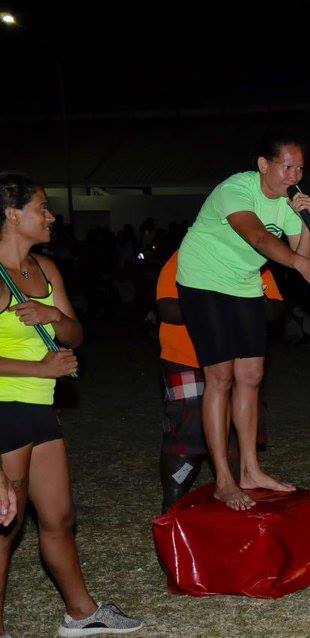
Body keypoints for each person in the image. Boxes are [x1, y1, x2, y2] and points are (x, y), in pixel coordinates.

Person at [0, 172, 142, 636]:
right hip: (5, 412)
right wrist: (39, 369)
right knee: (5, 531)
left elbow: (76, 334)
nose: (50, 215)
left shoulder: (44, 268)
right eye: (41, 207)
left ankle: (81, 613)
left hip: (39, 410)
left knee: (59, 517)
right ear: (11, 214)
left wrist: (53, 316)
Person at [176, 133, 310, 510]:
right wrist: (302, 263)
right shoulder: (237, 189)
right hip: (203, 281)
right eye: (287, 166)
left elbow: (304, 255)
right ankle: (222, 477)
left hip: (245, 284)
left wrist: (305, 220)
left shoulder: (289, 204)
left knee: (250, 376)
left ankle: (251, 470)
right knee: (220, 377)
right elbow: (256, 237)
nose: (294, 174)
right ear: (263, 165)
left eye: (300, 168)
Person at [155, 250, 284, 512]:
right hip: (187, 356)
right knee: (187, 435)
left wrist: (235, 304)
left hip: (238, 358)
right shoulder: (186, 255)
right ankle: (172, 509)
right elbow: (166, 307)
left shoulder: (252, 257)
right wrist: (222, 305)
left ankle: (235, 500)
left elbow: (276, 306)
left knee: (236, 436)